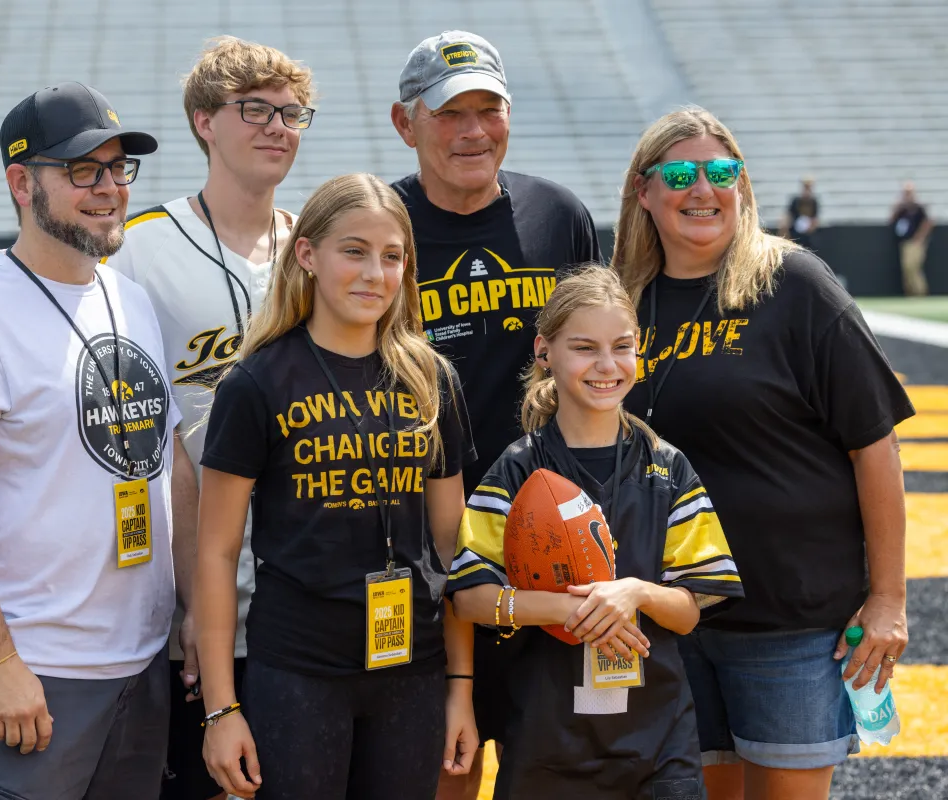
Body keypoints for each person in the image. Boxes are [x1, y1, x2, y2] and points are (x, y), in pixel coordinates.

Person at [614, 107, 913, 800]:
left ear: (743, 185)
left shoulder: (797, 286)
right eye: (681, 174)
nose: (703, 190)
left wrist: (890, 600)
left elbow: (875, 445)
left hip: (791, 621)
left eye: (722, 172)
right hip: (672, 617)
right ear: (643, 191)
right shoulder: (625, 302)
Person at [0, 82, 181, 799]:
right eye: (82, 170)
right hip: (38, 671)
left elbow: (164, 464)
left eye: (119, 167)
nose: (109, 188)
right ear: (21, 183)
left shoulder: (130, 298)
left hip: (142, 660)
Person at [194, 173, 480, 799]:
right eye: (354, 251)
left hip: (414, 667)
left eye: (392, 256)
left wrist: (461, 688)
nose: (374, 273)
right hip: (297, 671)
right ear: (307, 254)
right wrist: (221, 709)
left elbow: (454, 548)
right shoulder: (256, 383)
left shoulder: (432, 380)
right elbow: (215, 555)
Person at [389, 29, 603, 798]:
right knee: (445, 758)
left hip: (551, 535)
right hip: (423, 542)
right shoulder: (381, 229)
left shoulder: (558, 214)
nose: (473, 131)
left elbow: (601, 361)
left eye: (490, 108)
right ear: (403, 123)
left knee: (556, 760)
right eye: (450, 113)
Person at [104, 36, 314, 800]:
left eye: (292, 114)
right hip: (178, 598)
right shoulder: (136, 251)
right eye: (252, 109)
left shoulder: (316, 250)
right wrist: (193, 601)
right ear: (203, 122)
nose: (276, 127)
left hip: (298, 590)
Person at [448, 266, 744, 799]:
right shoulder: (519, 470)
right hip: (547, 741)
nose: (607, 366)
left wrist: (635, 593)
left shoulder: (667, 466)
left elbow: (691, 609)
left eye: (622, 347)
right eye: (584, 348)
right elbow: (470, 598)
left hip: (659, 742)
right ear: (545, 352)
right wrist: (569, 610)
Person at [889, 181, 934, 297]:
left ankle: (920, 293)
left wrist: (919, 238)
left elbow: (928, 222)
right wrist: (897, 205)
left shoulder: (918, 207)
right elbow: (891, 219)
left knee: (913, 268)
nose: (907, 195)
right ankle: (910, 294)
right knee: (906, 269)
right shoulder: (902, 208)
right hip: (905, 242)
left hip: (915, 243)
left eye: (909, 192)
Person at [780, 177, 819, 251]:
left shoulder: (813, 202)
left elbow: (814, 219)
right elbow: (789, 215)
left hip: (807, 235)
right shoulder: (796, 200)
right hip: (795, 232)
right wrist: (785, 229)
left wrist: (811, 227)